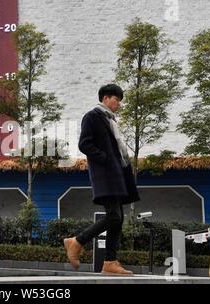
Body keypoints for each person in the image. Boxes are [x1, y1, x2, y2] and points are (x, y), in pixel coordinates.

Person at [64, 84, 140, 275]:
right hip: (105, 174)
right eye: (116, 100)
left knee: (118, 218)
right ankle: (77, 241)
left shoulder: (110, 121)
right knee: (114, 216)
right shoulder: (92, 116)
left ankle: (110, 262)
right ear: (106, 98)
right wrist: (104, 159)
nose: (118, 104)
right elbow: (84, 144)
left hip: (116, 175)